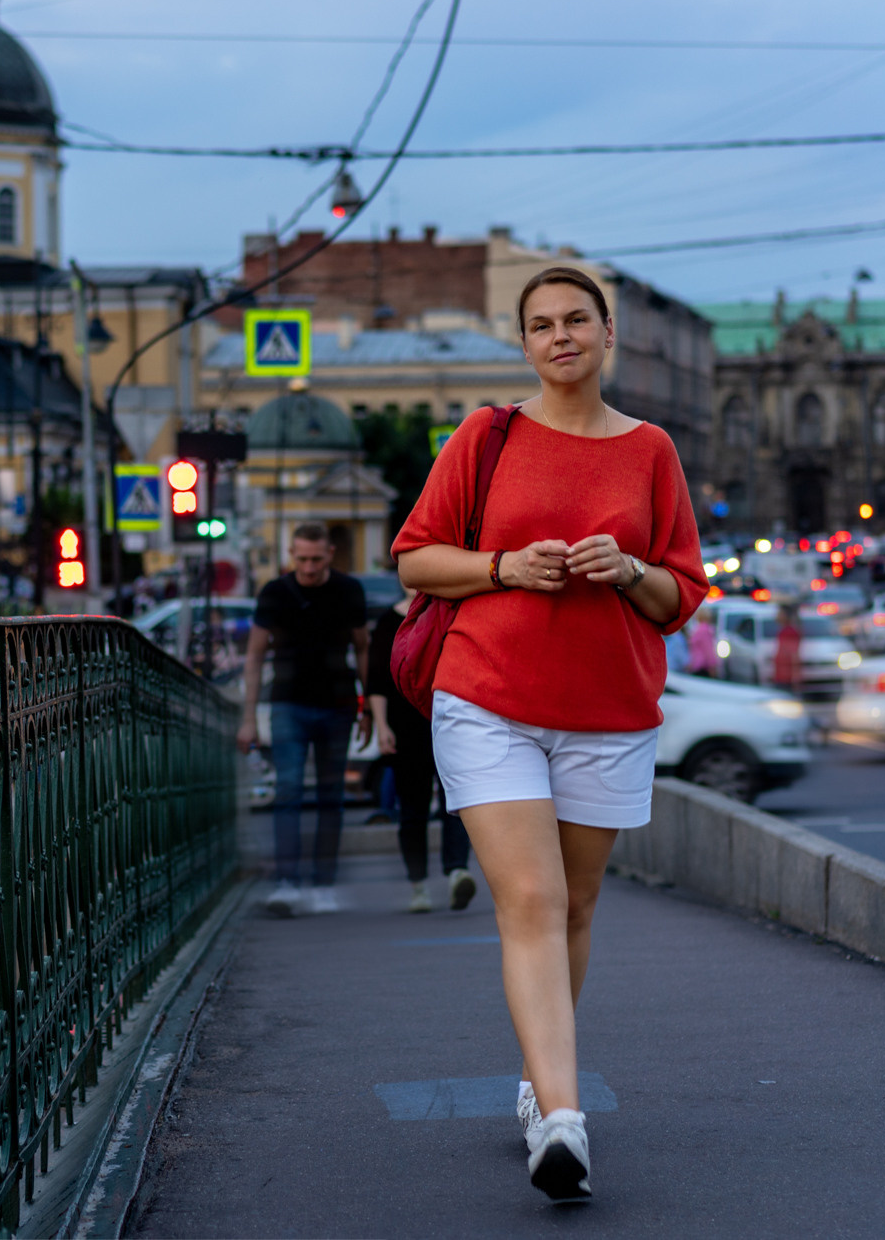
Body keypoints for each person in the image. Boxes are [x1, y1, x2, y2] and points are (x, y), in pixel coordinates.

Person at [393, 267, 705, 1202]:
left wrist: (630, 567)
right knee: (528, 897)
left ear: (609, 335)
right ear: (523, 344)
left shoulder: (651, 450)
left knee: (574, 904)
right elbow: (414, 555)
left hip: (607, 708)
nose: (559, 336)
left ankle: (540, 1081)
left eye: (576, 320)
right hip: (487, 695)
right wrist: (501, 566)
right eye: (540, 325)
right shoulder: (485, 437)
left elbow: (679, 597)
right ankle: (563, 1118)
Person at [238, 523, 370, 919]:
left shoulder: (349, 591)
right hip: (288, 703)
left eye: (316, 559)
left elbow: (363, 649)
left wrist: (367, 709)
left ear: (330, 553)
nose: (309, 568)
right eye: (301, 559)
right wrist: (248, 718)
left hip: (338, 703)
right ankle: (288, 882)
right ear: (291, 555)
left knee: (332, 796)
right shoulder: (275, 593)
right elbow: (254, 656)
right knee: (289, 791)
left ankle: (324, 884)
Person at [366, 578, 477, 913]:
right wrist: (381, 726)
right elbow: (377, 679)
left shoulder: (451, 609)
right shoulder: (388, 621)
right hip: (405, 727)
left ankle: (457, 872)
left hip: (450, 721)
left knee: (456, 803)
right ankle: (418, 885)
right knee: (412, 809)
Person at [771, 600, 803, 696]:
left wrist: (795, 678)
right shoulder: (783, 631)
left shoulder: (789, 633)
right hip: (780, 675)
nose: (777, 616)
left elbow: (794, 655)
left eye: (780, 613)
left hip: (786, 677)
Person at [685, 602, 718, 677]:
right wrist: (713, 666)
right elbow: (708, 651)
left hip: (697, 665)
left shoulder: (698, 629)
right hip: (702, 667)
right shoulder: (705, 630)